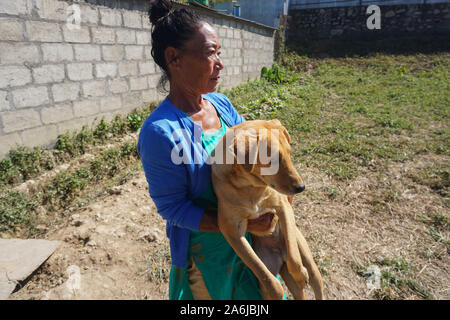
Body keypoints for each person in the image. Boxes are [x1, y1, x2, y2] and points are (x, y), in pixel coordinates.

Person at [138, 0, 279, 300]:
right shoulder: (160, 132)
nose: (220, 63)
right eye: (210, 53)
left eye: (219, 53)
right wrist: (242, 224)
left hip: (251, 244)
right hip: (208, 258)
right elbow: (174, 209)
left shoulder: (222, 106)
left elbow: (251, 152)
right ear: (174, 58)